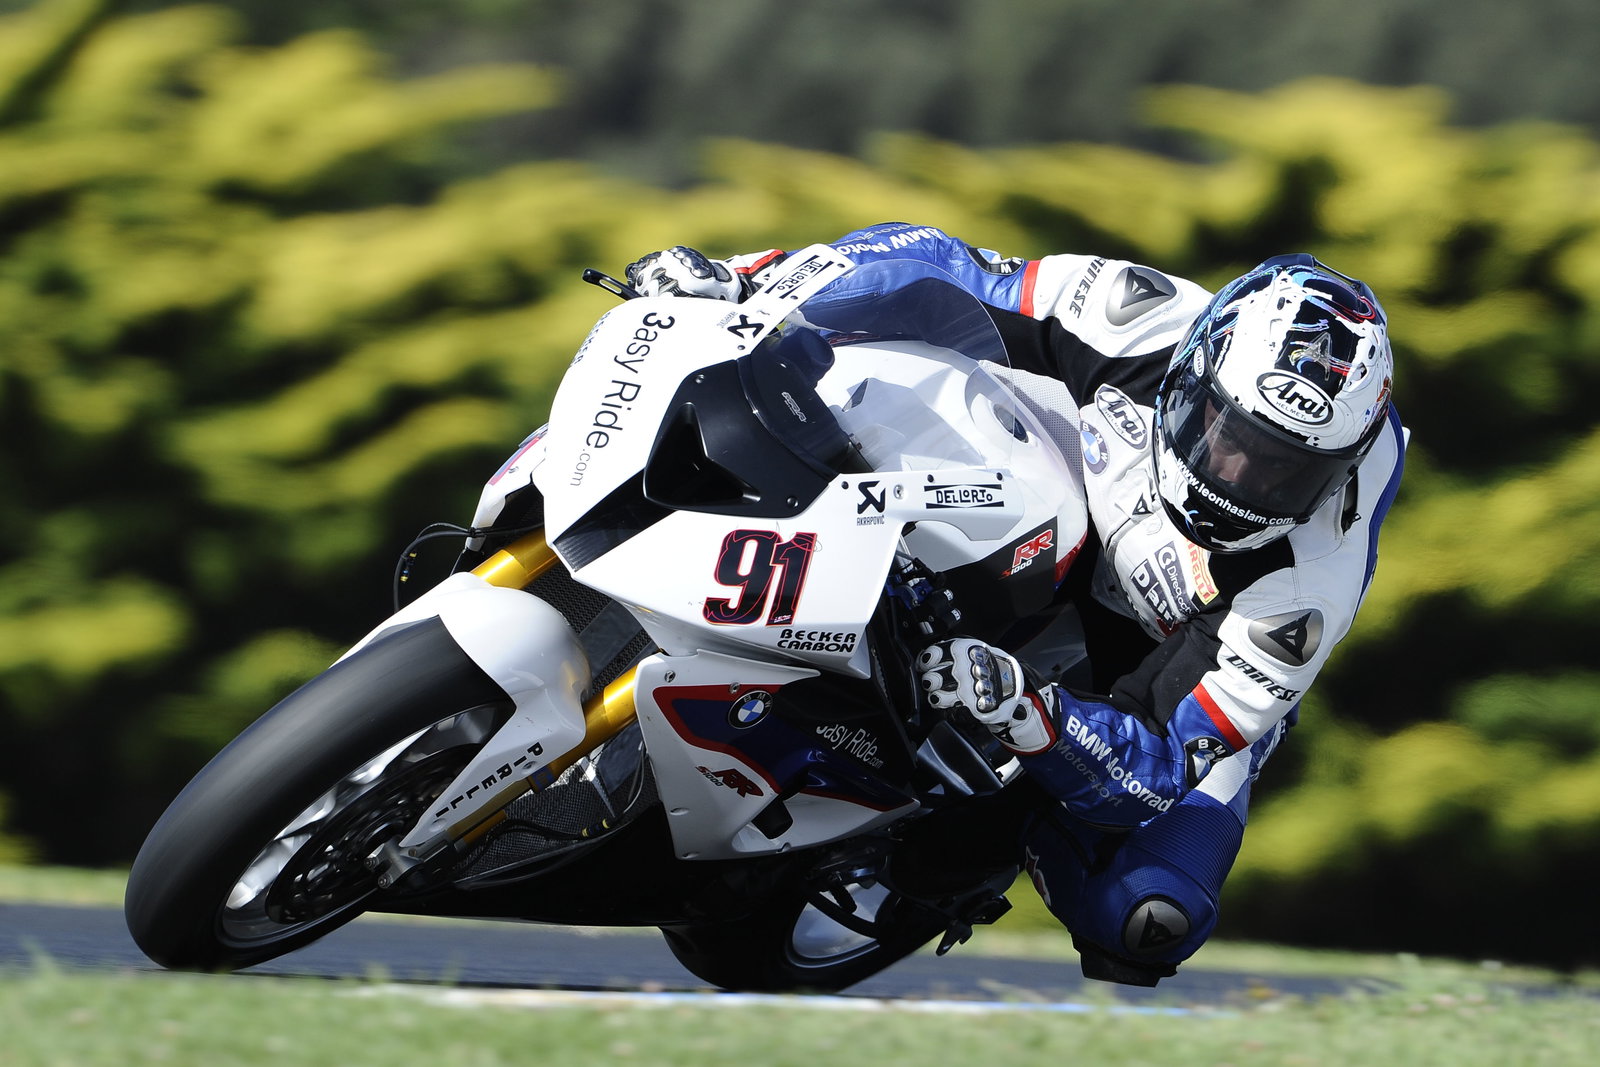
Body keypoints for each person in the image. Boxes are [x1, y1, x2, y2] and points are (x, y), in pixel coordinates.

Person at [623, 224, 1406, 986]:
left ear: (1334, 474)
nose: (1235, 475)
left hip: (1161, 655)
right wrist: (747, 280)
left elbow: (1160, 762)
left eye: (1282, 470)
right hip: (1045, 491)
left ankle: (938, 868)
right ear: (1193, 375)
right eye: (1224, 431)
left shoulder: (1303, 591)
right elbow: (939, 265)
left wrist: (1030, 713)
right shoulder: (1149, 318)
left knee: (1146, 915)